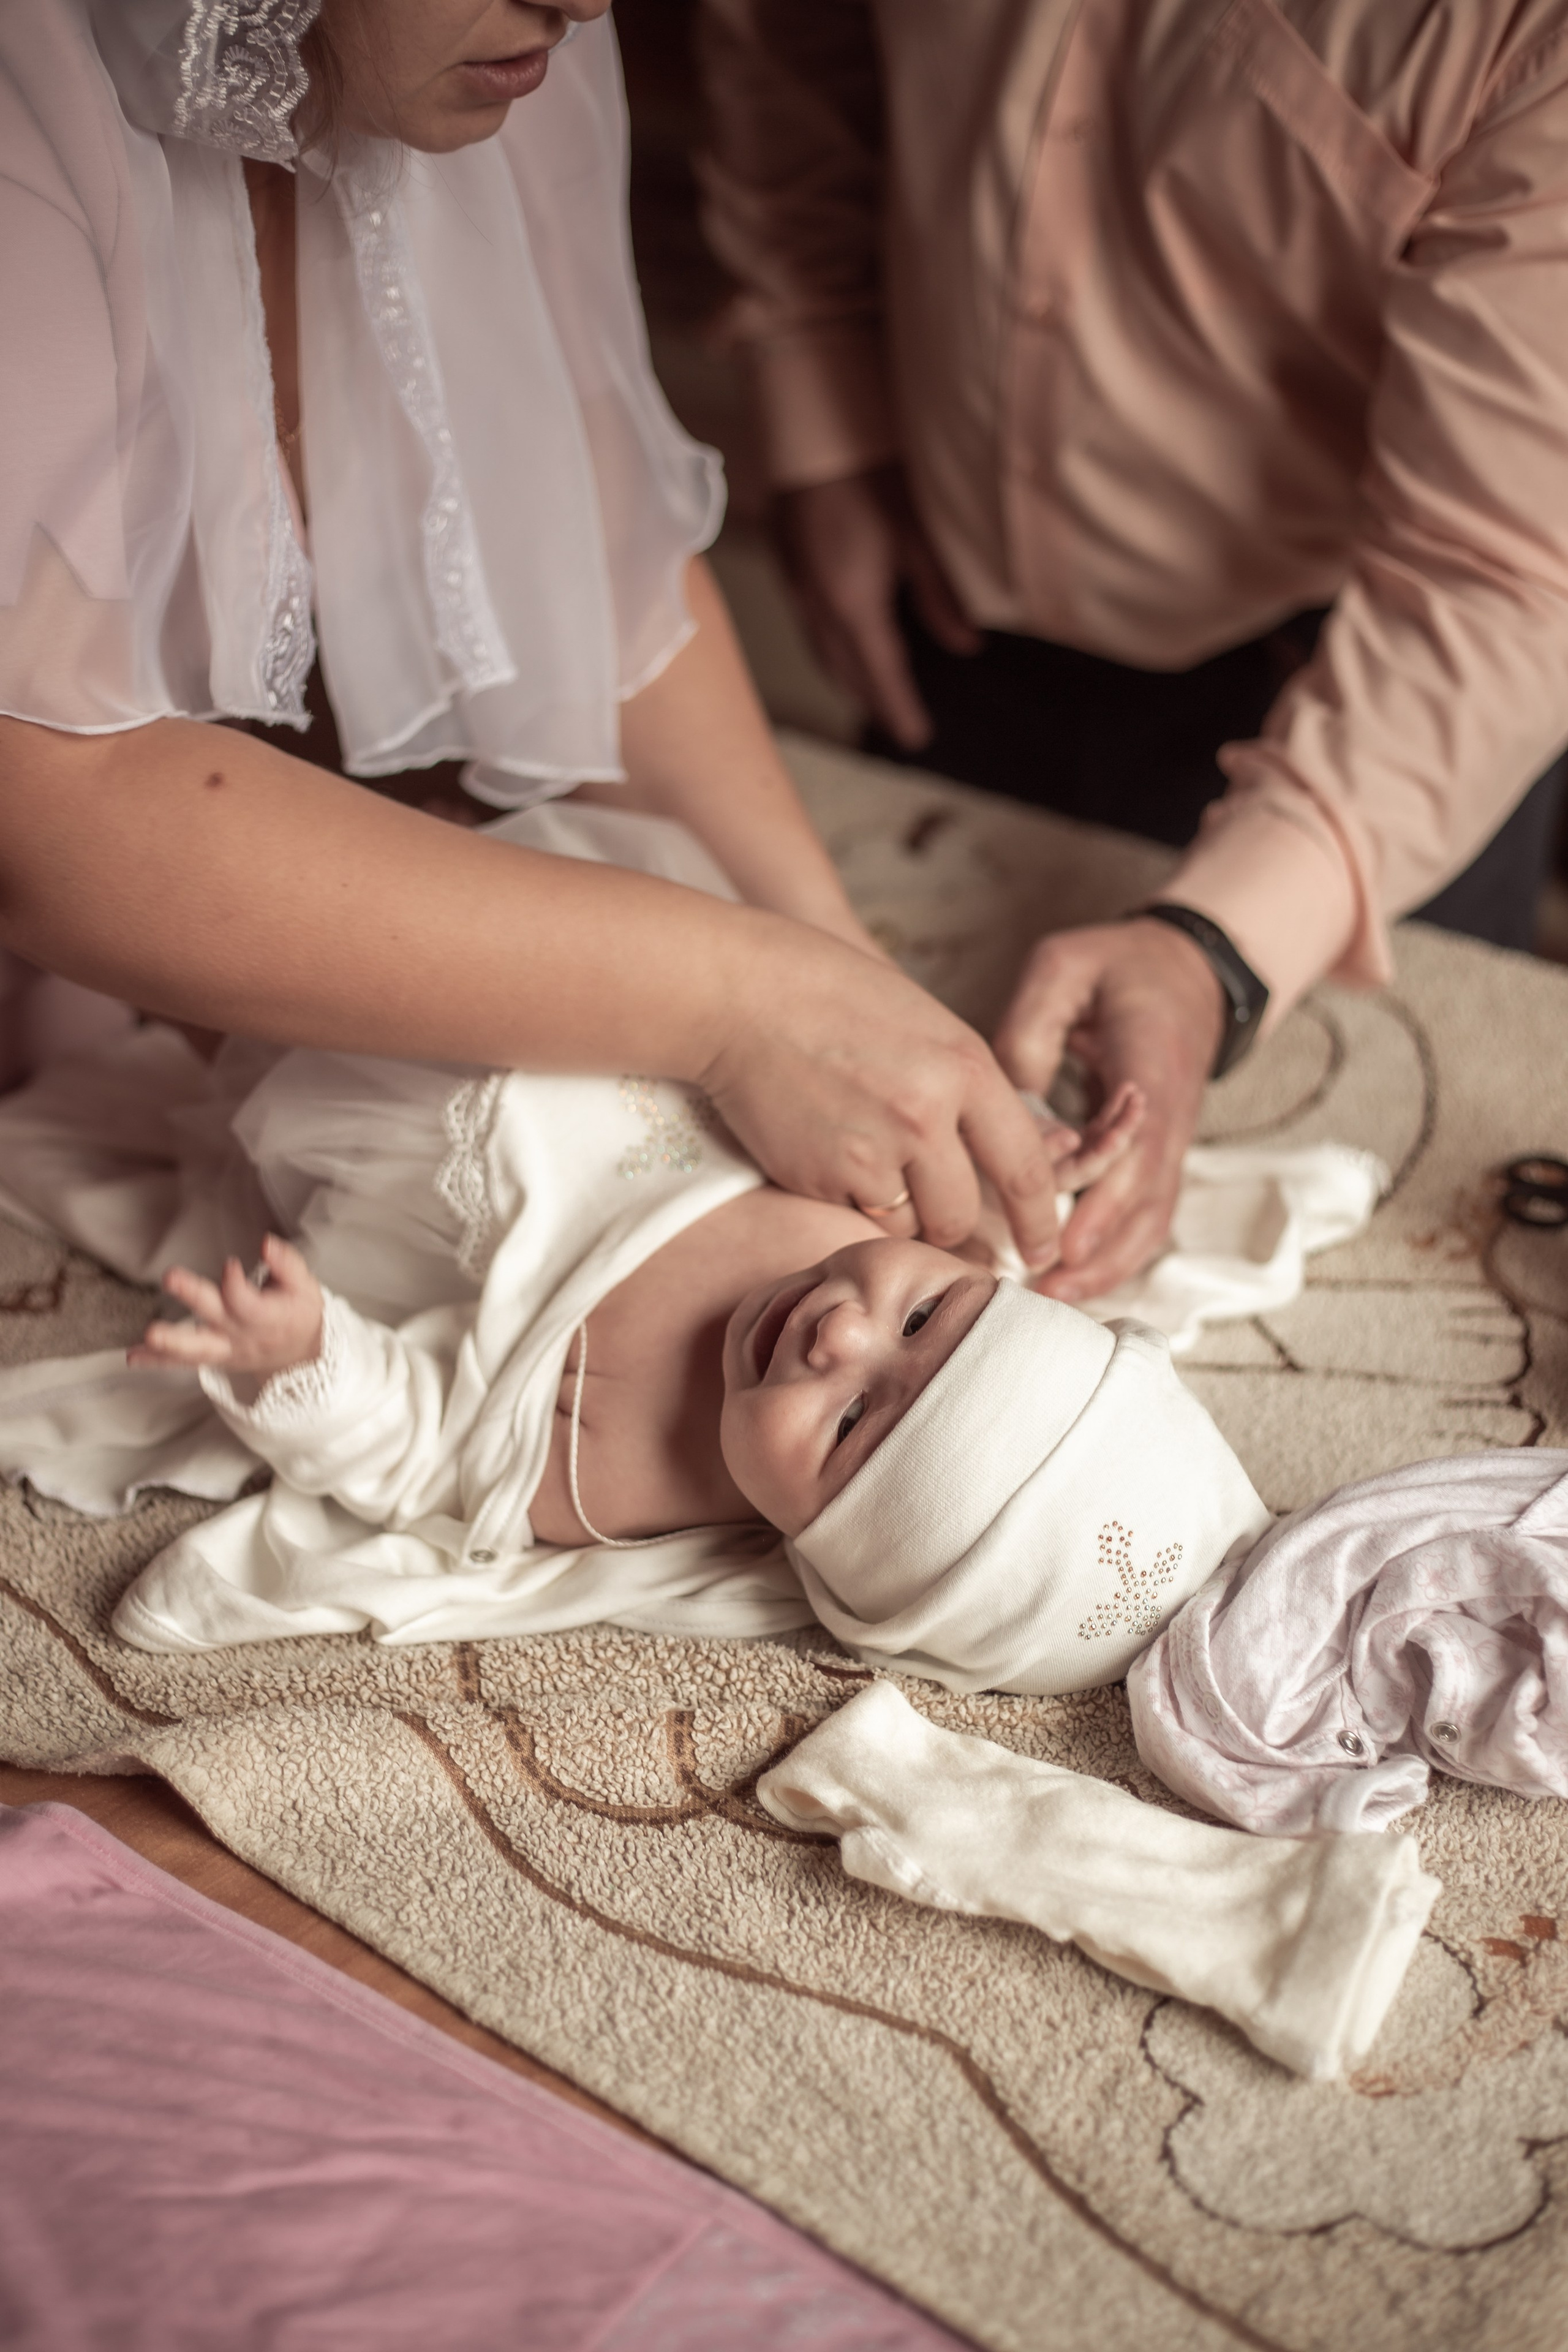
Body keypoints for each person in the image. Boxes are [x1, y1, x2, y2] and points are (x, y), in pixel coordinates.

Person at [0, 0, 1063, 1272]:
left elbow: (599, 564)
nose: (588, 6)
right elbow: (55, 802)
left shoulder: (497, 46)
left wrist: (857, 1002)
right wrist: (740, 1002)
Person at [698, 0, 1568, 1299]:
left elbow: (1501, 569)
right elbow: (783, 42)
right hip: (946, 589)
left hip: (1358, 698)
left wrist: (1216, 946)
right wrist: (822, 405)